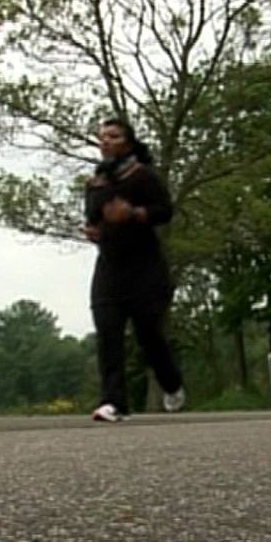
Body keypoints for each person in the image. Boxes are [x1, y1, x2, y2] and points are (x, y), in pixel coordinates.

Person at [81, 118, 185, 422]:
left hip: (145, 267)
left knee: (148, 335)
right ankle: (113, 402)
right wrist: (92, 230)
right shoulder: (95, 183)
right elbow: (93, 219)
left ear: (127, 142)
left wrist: (134, 213)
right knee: (108, 333)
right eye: (101, 137)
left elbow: (165, 211)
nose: (105, 141)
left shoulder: (143, 176)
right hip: (109, 267)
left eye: (113, 136)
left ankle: (171, 382)